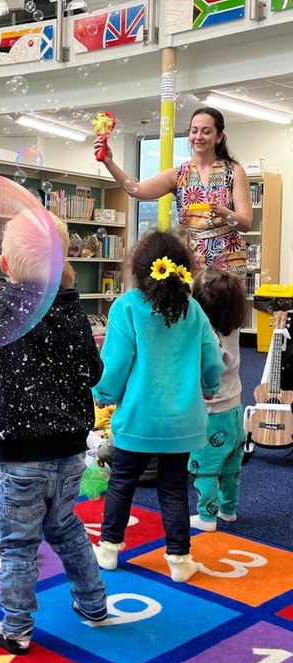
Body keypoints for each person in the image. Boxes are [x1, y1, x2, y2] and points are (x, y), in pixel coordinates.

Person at [0, 210, 107, 655]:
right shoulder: (71, 309)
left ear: (5, 264)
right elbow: (94, 370)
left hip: (19, 453)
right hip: (69, 449)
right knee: (64, 526)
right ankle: (94, 603)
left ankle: (16, 626)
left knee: (18, 542)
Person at [91, 230, 224, 584]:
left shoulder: (127, 307)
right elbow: (212, 360)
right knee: (174, 488)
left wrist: (103, 393)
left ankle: (108, 548)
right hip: (182, 423)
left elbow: (116, 362)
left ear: (140, 268)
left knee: (122, 482)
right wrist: (210, 387)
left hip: (138, 419)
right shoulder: (192, 310)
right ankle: (179, 558)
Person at [95, 107, 252, 273]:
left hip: (228, 259)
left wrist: (224, 213)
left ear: (219, 136)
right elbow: (137, 190)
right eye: (194, 131)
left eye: (206, 132)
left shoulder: (233, 171)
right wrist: (109, 163)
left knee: (226, 299)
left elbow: (246, 223)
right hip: (192, 260)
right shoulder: (179, 174)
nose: (198, 137)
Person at [189, 266, 248, 531]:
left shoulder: (208, 336)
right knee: (231, 469)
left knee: (206, 468)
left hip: (212, 415)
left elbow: (202, 371)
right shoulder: (232, 328)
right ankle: (228, 510)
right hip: (236, 411)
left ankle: (206, 516)